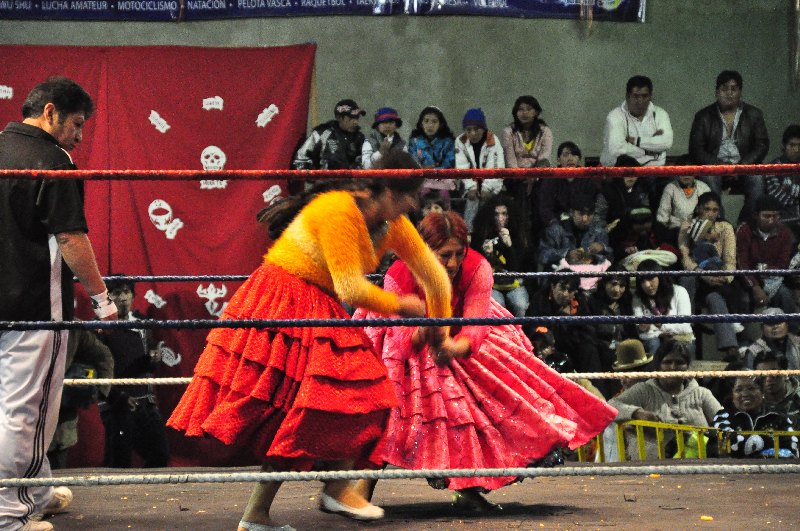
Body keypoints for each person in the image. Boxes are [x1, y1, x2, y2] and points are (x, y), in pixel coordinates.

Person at [167, 151, 452, 531]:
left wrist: (440, 330)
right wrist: (401, 305)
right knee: (302, 405)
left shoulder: (391, 222)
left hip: (316, 301)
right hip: (282, 297)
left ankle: (298, 502)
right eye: (407, 195)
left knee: (359, 395)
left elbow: (435, 277)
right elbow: (350, 287)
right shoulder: (339, 211)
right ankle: (297, 503)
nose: (414, 204)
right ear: (384, 191)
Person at [354, 211, 616, 510]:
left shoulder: (477, 267)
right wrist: (428, 333)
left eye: (458, 254)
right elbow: (403, 342)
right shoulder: (399, 276)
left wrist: (454, 347)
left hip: (458, 335)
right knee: (394, 404)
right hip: (402, 341)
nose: (452, 263)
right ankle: (362, 488)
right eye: (443, 256)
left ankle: (467, 488)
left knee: (480, 403)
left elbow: (476, 324)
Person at [0, 77, 118, 531]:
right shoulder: (52, 159)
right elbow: (70, 236)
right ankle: (10, 515)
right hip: (33, 309)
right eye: (76, 123)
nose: (80, 136)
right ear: (49, 112)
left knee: (13, 409)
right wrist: (103, 298)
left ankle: (36, 490)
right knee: (27, 410)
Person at [608, 339, 722, 461]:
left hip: (697, 471)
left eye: (680, 363)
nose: (673, 367)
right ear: (658, 366)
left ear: (687, 367)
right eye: (667, 362)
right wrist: (637, 413)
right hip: (649, 470)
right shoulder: (643, 390)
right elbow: (610, 406)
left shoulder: (701, 394)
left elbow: (723, 419)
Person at [99, 275, 170, 468]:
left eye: (126, 292)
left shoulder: (142, 323)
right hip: (117, 404)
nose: (122, 297)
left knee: (160, 455)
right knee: (119, 462)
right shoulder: (101, 327)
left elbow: (147, 360)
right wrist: (117, 398)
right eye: (116, 293)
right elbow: (95, 370)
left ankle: (152, 498)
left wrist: (153, 358)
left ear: (133, 295)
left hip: (145, 401)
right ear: (108, 298)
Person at [688, 70, 769, 224]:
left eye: (734, 89)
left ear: (740, 92)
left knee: (757, 180)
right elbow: (696, 150)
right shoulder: (703, 116)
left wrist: (742, 166)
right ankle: (722, 224)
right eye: (725, 89)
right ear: (717, 92)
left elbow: (762, 145)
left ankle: (745, 225)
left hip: (744, 166)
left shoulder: (754, 114)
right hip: (715, 168)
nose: (729, 93)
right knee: (709, 179)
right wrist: (721, 166)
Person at [677, 192, 743, 360]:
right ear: (699, 208)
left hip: (718, 277)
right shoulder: (688, 226)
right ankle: (685, 332)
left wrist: (724, 277)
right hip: (696, 277)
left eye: (715, 210)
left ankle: (730, 348)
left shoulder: (725, 228)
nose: (711, 213)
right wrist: (703, 274)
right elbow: (685, 258)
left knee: (715, 297)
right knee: (687, 278)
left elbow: (730, 259)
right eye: (707, 209)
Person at [47, 328, 114, 470]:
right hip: (18, 420)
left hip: (59, 426)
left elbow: (103, 356)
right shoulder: (13, 319)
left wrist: (100, 391)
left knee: (55, 481)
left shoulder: (73, 328)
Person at [736, 196, 798, 314]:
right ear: (756, 215)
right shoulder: (744, 230)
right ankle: (742, 332)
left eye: (775, 216)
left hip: (774, 279)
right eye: (766, 216)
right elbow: (741, 263)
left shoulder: (785, 233)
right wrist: (755, 287)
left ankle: (792, 332)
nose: (771, 220)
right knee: (744, 300)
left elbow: (783, 264)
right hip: (747, 279)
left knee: (786, 296)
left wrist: (765, 269)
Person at [471, 195, 529, 317]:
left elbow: (516, 266)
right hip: (491, 284)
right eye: (496, 214)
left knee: (521, 305)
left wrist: (509, 247)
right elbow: (475, 267)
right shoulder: (480, 234)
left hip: (514, 283)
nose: (500, 218)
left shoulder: (517, 234)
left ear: (510, 216)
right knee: (499, 308)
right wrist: (486, 254)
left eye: (504, 214)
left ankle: (519, 335)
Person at [713, 375, 798, 458]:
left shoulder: (778, 417)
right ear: (732, 396)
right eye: (738, 390)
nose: (745, 394)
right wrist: (767, 444)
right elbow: (730, 444)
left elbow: (791, 450)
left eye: (751, 388)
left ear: (762, 392)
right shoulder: (723, 417)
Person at [600, 75, 674, 167]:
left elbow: (666, 143)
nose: (640, 101)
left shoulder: (661, 114)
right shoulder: (615, 116)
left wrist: (635, 141)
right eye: (636, 96)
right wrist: (647, 151)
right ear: (627, 96)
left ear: (650, 97)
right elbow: (617, 148)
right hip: (621, 174)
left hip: (654, 174)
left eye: (644, 96)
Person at [454, 107, 505, 232]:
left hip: (492, 183)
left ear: (483, 128)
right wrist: (471, 187)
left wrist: (486, 188)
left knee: (486, 202)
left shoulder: (493, 140)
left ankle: (488, 233)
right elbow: (461, 166)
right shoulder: (460, 141)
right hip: (470, 183)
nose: (472, 133)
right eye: (469, 130)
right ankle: (468, 233)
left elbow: (495, 167)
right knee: (472, 200)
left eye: (477, 129)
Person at [631, 260, 695, 356]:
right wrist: (662, 333)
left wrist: (660, 325)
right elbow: (641, 331)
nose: (647, 285)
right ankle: (654, 370)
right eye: (642, 281)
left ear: (660, 277)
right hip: (653, 340)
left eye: (650, 278)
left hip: (680, 338)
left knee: (679, 346)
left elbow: (685, 326)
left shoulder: (679, 292)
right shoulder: (638, 297)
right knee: (653, 343)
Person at [537, 141, 601, 229]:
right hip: (557, 222)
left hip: (582, 220)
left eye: (574, 155)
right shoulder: (550, 180)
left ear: (579, 159)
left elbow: (594, 205)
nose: (570, 159)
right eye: (566, 155)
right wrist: (554, 223)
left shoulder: (588, 179)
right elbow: (545, 208)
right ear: (558, 159)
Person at [539, 194, 612, 269]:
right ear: (571, 212)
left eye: (589, 214)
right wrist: (566, 254)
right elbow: (543, 256)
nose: (585, 219)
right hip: (561, 276)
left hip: (590, 276)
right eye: (581, 213)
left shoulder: (599, 232)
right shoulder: (556, 230)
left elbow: (609, 260)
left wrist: (603, 249)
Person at [292, 98, 366, 171]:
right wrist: (314, 175)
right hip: (326, 182)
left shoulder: (360, 138)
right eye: (351, 118)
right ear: (339, 118)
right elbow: (300, 159)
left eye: (357, 117)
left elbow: (368, 163)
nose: (356, 122)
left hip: (353, 182)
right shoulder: (321, 133)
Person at [408, 106, 456, 208]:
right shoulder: (415, 141)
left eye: (434, 122)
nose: (430, 125)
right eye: (426, 121)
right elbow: (413, 163)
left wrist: (432, 171)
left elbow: (448, 163)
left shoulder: (448, 141)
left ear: (440, 124)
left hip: (442, 178)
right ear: (421, 123)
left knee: (444, 194)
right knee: (422, 193)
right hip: (421, 179)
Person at [656, 173, 712, 246]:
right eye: (682, 172)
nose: (686, 175)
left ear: (695, 172)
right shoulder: (671, 187)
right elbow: (662, 218)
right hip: (675, 231)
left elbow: (710, 213)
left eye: (689, 172)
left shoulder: (703, 187)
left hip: (699, 229)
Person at [764, 125, 800, 235]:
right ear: (783, 146)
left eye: (799, 145)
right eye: (792, 145)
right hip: (780, 220)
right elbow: (778, 200)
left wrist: (788, 188)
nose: (796, 150)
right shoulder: (774, 167)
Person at [754, 350, 800, 426]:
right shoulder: (752, 400)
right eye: (762, 374)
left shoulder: (798, 397)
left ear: (786, 374)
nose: (768, 379)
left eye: (774, 373)